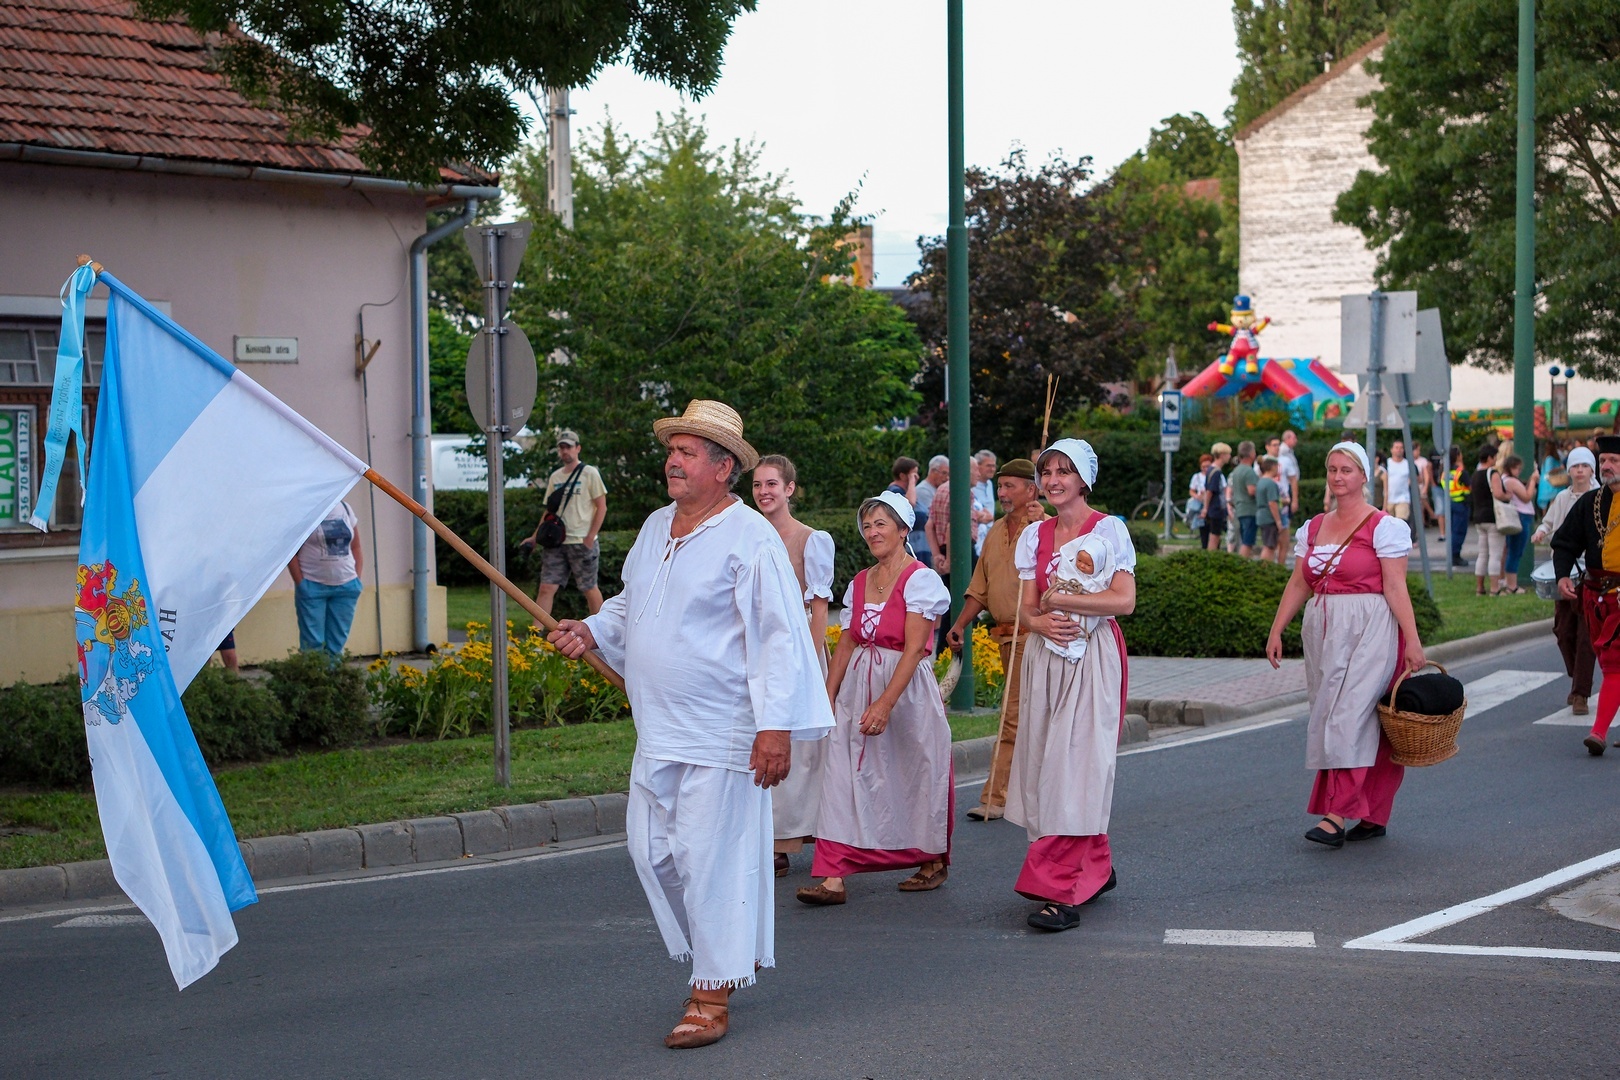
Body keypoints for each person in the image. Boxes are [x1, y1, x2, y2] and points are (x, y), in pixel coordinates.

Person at [548, 400, 832, 1049]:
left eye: (687, 452)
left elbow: (779, 635)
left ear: (723, 467)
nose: (673, 462)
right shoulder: (656, 526)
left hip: (723, 731)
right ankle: (722, 952)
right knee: (652, 851)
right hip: (660, 729)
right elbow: (631, 604)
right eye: (672, 450)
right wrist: (590, 628)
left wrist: (775, 727)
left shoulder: (750, 538)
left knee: (710, 861)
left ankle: (711, 991)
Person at [1265, 442, 1427, 847]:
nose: (1338, 477)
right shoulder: (1314, 527)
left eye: (1347, 470)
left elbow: (1395, 586)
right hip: (1323, 627)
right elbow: (1300, 582)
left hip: (1371, 626)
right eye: (1333, 469)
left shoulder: (1384, 527)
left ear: (1363, 477)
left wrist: (1413, 641)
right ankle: (1372, 812)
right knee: (1331, 714)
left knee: (1349, 715)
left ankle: (1335, 815)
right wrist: (1277, 629)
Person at [797, 491, 953, 905]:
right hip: (858, 684)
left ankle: (929, 858)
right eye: (867, 526)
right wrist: (826, 696)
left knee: (913, 773)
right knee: (842, 773)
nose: (872, 532)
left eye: (881, 524)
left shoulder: (920, 580)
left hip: (905, 688)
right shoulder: (861, 581)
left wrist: (885, 703)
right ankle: (833, 876)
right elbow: (847, 644)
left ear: (903, 530)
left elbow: (915, 649)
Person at [1008, 439, 1136, 932]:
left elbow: (1123, 601)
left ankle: (1058, 889)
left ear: (1084, 479)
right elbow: (1027, 607)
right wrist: (1038, 622)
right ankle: (1095, 867)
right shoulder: (1035, 535)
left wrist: (1066, 602)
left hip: (1093, 657)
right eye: (1047, 472)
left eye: (1065, 471)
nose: (1054, 479)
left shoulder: (1108, 530)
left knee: (1076, 767)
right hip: (1045, 658)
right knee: (1045, 762)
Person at [944, 459, 1047, 821]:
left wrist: (1043, 522)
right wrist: (960, 624)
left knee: (1012, 715)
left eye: (1009, 486)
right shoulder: (995, 531)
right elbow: (980, 588)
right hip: (1005, 638)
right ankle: (1030, 792)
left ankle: (996, 797)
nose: (1001, 493)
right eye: (1000, 486)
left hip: (1036, 637)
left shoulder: (1045, 529)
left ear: (1031, 491)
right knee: (1024, 716)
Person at [752, 454, 836, 876]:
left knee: (800, 750)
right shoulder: (748, 535)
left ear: (789, 489)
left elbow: (819, 607)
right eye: (757, 485)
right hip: (757, 648)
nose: (763, 492)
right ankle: (764, 835)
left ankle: (788, 840)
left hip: (799, 646)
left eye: (771, 484)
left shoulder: (810, 539)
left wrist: (809, 662)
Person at [1550, 435, 1620, 756]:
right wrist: (1563, 575)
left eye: (1613, 461)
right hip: (1596, 597)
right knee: (1608, 660)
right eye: (1603, 460)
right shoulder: (1590, 502)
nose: (1606, 466)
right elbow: (1564, 542)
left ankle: (1598, 731)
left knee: (1614, 662)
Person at [1533, 447, 1597, 717]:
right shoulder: (1561, 498)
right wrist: (1540, 532)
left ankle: (1581, 693)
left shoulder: (1600, 498)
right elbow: (1548, 523)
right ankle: (1577, 677)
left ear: (1592, 470)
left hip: (1590, 573)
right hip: (1563, 569)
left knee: (1585, 635)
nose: (1580, 470)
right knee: (1563, 631)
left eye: (1584, 466)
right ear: (1569, 470)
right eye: (1575, 466)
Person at [524, 430, 608, 616]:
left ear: (578, 448)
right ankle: (536, 633)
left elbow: (601, 507)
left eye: (568, 447)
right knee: (546, 588)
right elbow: (549, 512)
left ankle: (600, 630)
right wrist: (535, 537)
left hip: (581, 540)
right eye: (561, 447)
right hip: (556, 540)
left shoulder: (589, 473)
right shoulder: (555, 477)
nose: (565, 451)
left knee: (589, 588)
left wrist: (590, 537)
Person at [288, 499, 363, 656]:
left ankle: (334, 672)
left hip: (346, 586)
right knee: (312, 645)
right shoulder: (305, 510)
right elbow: (290, 551)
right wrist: (300, 582)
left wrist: (357, 578)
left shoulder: (345, 508)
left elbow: (356, 546)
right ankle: (315, 672)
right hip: (312, 585)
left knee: (337, 644)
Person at [1471, 444, 1508, 596]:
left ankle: (1480, 587)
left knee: (1482, 554)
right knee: (1495, 555)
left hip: (1478, 517)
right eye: (1495, 457)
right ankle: (1494, 588)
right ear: (1490, 458)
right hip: (1492, 518)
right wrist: (1508, 496)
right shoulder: (1492, 473)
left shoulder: (1475, 474)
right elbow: (1498, 494)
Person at [1500, 455, 1539, 587]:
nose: (1519, 471)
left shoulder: (1505, 479)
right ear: (1510, 468)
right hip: (1521, 517)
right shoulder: (1511, 481)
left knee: (1512, 550)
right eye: (1517, 468)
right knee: (1515, 551)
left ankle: (1507, 581)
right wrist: (1533, 480)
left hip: (1518, 517)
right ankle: (1512, 585)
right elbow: (1526, 497)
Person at [914, 455, 949, 569]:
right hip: (927, 544)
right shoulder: (922, 491)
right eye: (944, 473)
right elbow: (935, 517)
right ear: (933, 471)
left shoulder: (938, 489)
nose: (947, 478)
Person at [1229, 441, 1259, 558]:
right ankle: (1242, 563)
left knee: (1243, 539)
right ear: (1251, 453)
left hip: (1239, 509)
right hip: (1249, 509)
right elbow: (1251, 490)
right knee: (1248, 541)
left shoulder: (1236, 471)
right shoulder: (1249, 471)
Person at [1201, 442, 1231, 552]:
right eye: (1228, 454)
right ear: (1222, 455)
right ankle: (1212, 556)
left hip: (1214, 508)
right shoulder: (1216, 472)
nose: (1229, 457)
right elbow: (1210, 490)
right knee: (1215, 535)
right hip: (1216, 508)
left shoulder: (1211, 470)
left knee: (1215, 534)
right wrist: (1205, 508)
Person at [1446, 446, 1472, 568]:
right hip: (1461, 504)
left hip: (1450, 503)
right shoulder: (1461, 472)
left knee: (1453, 531)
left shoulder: (1445, 471)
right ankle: (1455, 556)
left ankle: (1452, 554)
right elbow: (1469, 486)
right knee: (1459, 532)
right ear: (1458, 456)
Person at [1384, 439, 1414, 542]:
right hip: (1389, 498)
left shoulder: (1408, 464)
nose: (1399, 450)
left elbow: (1416, 478)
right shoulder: (1387, 463)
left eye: (1401, 448)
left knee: (1401, 523)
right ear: (1391, 450)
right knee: (1390, 525)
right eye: (1396, 448)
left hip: (1403, 498)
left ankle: (1400, 542)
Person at [1255, 456, 1283, 562]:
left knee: (1267, 543)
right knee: (1270, 546)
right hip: (1269, 517)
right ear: (1273, 467)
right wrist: (1278, 521)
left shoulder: (1260, 481)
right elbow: (1272, 503)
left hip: (1261, 516)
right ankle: (1265, 567)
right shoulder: (1270, 483)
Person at [971, 450, 998, 555]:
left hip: (990, 537)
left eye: (994, 466)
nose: (992, 469)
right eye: (988, 466)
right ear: (978, 466)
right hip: (976, 538)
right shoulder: (971, 486)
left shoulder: (990, 484)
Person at [1187, 453, 1212, 533]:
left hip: (1211, 503)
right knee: (1202, 525)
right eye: (1203, 467)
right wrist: (1197, 496)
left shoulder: (1215, 475)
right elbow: (1191, 491)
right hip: (1200, 502)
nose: (1205, 469)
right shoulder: (1196, 477)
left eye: (1207, 466)